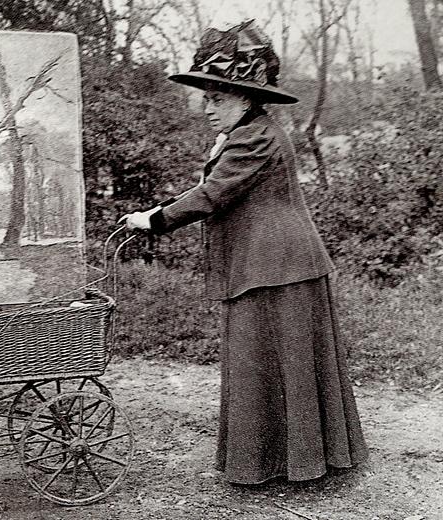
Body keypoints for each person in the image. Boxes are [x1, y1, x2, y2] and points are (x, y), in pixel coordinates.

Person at [120, 20, 368, 485]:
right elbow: (217, 188)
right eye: (206, 98)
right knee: (273, 361)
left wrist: (153, 219)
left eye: (217, 98)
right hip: (269, 263)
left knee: (275, 360)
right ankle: (290, 461)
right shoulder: (248, 133)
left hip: (277, 265)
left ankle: (289, 465)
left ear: (248, 97)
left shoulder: (255, 136)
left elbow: (213, 194)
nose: (207, 108)